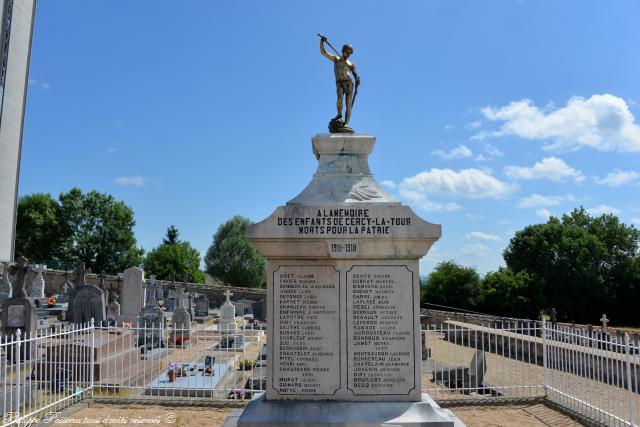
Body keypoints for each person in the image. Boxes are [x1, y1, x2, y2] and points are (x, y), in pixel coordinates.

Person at [320, 36, 360, 128]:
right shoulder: (336, 59)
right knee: (339, 99)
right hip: (339, 82)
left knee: (348, 105)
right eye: (347, 52)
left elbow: (355, 75)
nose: (348, 54)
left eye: (350, 53)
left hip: (349, 83)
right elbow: (323, 52)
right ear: (343, 51)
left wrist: (358, 80)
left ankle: (346, 122)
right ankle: (339, 114)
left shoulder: (351, 64)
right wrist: (322, 42)